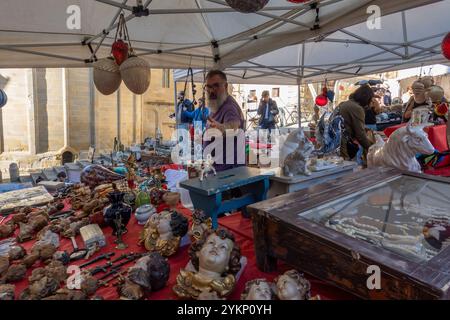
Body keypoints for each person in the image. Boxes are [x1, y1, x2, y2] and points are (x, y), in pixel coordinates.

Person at [204, 70, 245, 172]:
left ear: (226, 86)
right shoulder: (217, 105)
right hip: (219, 170)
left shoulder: (229, 107)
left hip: (228, 174)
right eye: (208, 87)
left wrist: (222, 128)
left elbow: (234, 126)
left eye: (216, 86)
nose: (211, 90)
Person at [337, 84, 375, 164]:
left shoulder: (346, 104)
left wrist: (364, 128)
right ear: (366, 98)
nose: (371, 102)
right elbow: (360, 135)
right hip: (343, 145)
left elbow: (347, 124)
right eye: (371, 100)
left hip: (338, 143)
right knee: (345, 169)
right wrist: (373, 148)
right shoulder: (357, 108)